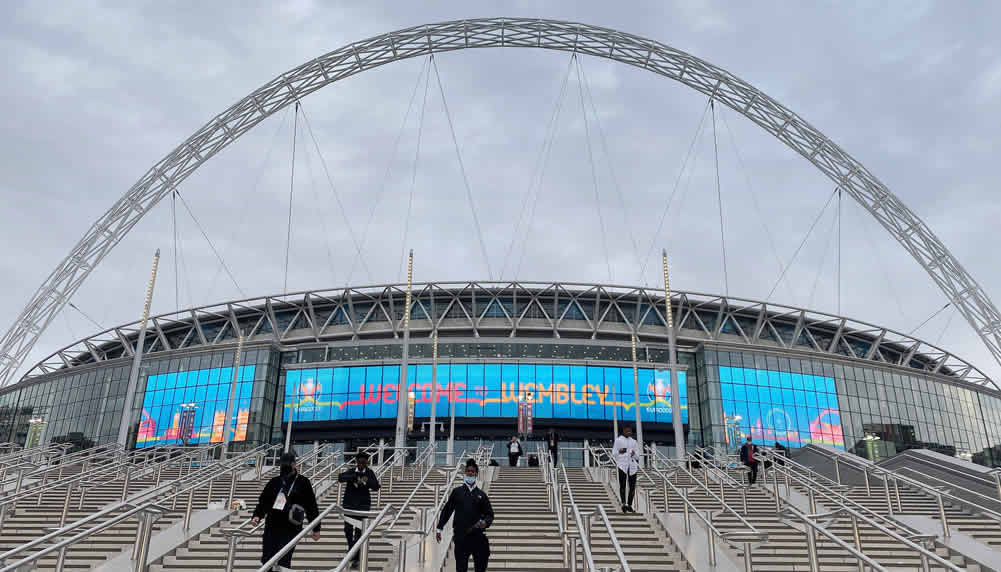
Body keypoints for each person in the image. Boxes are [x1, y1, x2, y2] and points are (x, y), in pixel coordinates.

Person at [251, 452, 321, 570]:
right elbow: (264, 501)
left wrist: (316, 528)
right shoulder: (274, 482)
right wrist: (257, 515)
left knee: (284, 558)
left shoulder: (303, 482)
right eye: (282, 464)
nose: (285, 467)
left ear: (294, 465)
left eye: (287, 464)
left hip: (291, 525)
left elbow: (311, 505)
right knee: (267, 557)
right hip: (272, 524)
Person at [436, 458, 494, 572]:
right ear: (465, 473)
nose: (470, 473)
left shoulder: (481, 495)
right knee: (461, 568)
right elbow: (447, 510)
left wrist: (486, 522)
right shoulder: (457, 492)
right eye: (468, 471)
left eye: (472, 471)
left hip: (477, 536)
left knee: (480, 567)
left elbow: (490, 514)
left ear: (476, 474)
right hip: (461, 536)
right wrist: (439, 527)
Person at [337, 451, 381, 569]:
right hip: (349, 505)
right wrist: (354, 477)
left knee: (358, 532)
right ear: (356, 462)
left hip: (363, 506)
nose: (361, 464)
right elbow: (340, 478)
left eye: (364, 462)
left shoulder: (369, 472)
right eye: (359, 462)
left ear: (367, 463)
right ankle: (352, 549)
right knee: (347, 529)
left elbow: (376, 486)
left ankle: (355, 557)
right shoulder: (352, 471)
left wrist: (366, 480)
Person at [613, 425, 639, 513]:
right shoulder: (618, 440)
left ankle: (630, 505)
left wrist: (633, 454)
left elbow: (637, 456)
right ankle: (623, 504)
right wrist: (620, 452)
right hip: (622, 465)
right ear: (623, 431)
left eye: (630, 431)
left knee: (632, 487)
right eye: (627, 431)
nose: (628, 432)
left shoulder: (634, 442)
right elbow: (614, 453)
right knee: (622, 485)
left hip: (632, 466)